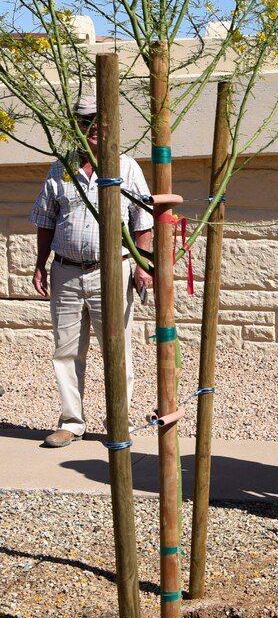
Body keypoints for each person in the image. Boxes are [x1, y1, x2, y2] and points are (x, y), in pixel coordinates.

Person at [30, 96, 154, 448]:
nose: (95, 128)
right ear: (77, 127)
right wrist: (40, 264)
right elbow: (46, 221)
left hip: (112, 271)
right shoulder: (60, 167)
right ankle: (71, 421)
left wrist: (144, 265)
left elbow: (141, 221)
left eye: (101, 120)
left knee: (118, 349)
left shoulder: (126, 167)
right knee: (66, 350)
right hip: (66, 272)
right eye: (87, 121)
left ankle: (118, 420)